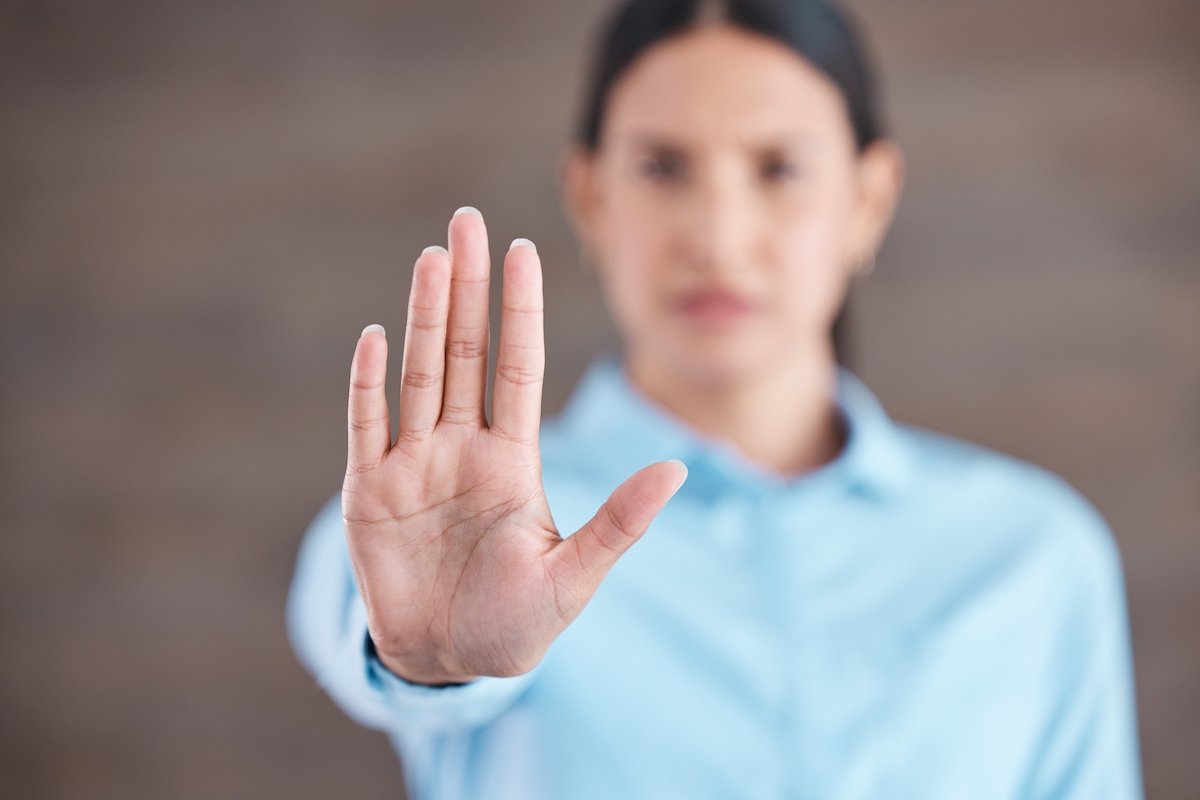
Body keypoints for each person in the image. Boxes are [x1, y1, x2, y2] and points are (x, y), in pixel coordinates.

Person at [286, 1, 1144, 797]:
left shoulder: (1032, 556)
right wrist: (432, 661)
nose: (720, 236)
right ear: (589, 195)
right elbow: (371, 612)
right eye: (661, 166)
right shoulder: (444, 529)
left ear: (868, 200)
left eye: (781, 168)